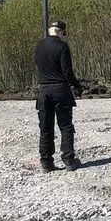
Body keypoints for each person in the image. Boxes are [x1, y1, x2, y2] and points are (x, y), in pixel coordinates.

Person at [33, 20, 84, 171]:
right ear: (61, 32)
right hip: (60, 90)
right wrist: (76, 85)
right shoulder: (62, 46)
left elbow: (38, 65)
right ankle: (68, 159)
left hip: (43, 90)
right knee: (66, 125)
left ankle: (46, 162)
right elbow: (67, 71)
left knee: (45, 127)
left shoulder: (39, 46)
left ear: (50, 31)